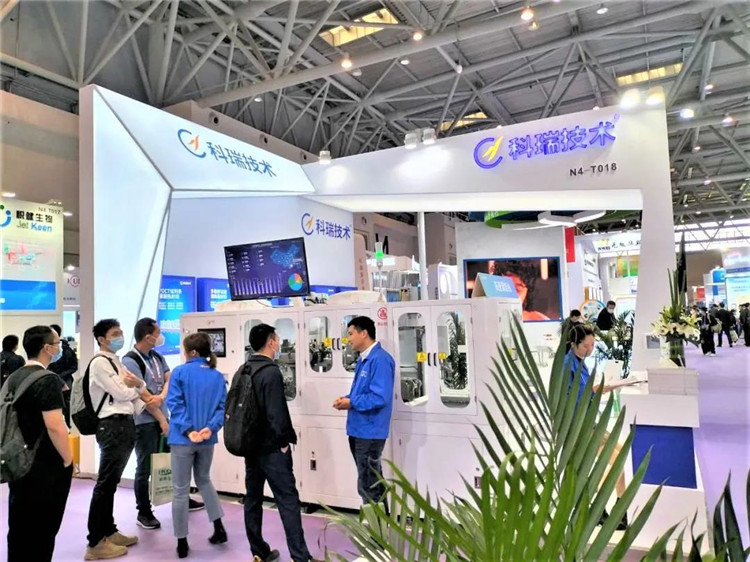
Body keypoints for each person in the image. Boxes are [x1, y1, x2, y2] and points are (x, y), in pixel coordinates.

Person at [240, 323, 321, 562]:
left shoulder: (243, 369)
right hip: (272, 449)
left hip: (250, 447)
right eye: (276, 338)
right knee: (287, 500)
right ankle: (300, 556)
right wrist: (285, 442)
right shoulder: (271, 372)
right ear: (271, 343)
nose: (278, 342)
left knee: (253, 498)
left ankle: (258, 552)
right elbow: (277, 413)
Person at [85, 319, 159, 560]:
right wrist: (137, 386)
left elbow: (133, 390)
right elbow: (123, 392)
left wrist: (137, 385)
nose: (120, 337)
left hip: (124, 424)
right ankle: (95, 542)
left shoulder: (115, 361)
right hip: (111, 426)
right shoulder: (100, 363)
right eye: (115, 333)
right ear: (102, 339)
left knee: (111, 483)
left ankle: (109, 531)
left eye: (121, 332)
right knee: (105, 484)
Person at [122, 317, 201, 531]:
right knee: (145, 467)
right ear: (148, 337)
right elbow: (142, 396)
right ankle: (144, 511)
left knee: (176, 461)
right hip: (145, 422)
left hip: (164, 416)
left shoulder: (157, 356)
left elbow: (168, 378)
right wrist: (161, 419)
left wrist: (162, 397)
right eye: (158, 334)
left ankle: (182, 499)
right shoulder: (131, 361)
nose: (161, 337)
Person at [5, 326, 74, 562]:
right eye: (57, 343)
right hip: (44, 463)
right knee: (43, 528)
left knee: (19, 526)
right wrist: (68, 459)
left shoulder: (14, 377)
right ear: (47, 348)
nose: (59, 346)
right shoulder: (48, 380)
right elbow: (55, 426)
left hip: (17, 459)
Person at [166, 332, 228, 559]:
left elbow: (174, 403)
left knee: (180, 490)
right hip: (207, 439)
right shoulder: (217, 376)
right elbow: (222, 408)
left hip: (183, 439)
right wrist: (210, 429)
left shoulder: (179, 372)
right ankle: (219, 528)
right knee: (204, 480)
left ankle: (182, 542)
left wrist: (188, 430)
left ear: (191, 352)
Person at [564, 324, 627, 530]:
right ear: (573, 344)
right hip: (579, 427)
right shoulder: (567, 366)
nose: (589, 350)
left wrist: (605, 387)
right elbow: (574, 398)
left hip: (590, 422)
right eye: (585, 346)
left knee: (622, 455)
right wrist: (599, 389)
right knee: (616, 461)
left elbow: (586, 392)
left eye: (592, 345)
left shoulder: (580, 363)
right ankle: (599, 507)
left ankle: (618, 509)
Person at [333, 316, 395, 506]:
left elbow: (380, 397)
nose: (348, 339)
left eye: (351, 334)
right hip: (359, 430)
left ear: (364, 333)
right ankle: (381, 523)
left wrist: (351, 402)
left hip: (370, 432)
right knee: (372, 481)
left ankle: (376, 525)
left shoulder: (380, 360)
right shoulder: (364, 359)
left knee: (369, 486)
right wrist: (346, 399)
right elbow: (362, 392)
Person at [48, 324, 78, 426]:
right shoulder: (47, 349)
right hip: (52, 379)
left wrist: (62, 375)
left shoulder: (67, 350)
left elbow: (74, 366)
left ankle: (67, 426)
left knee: (66, 404)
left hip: (66, 380)